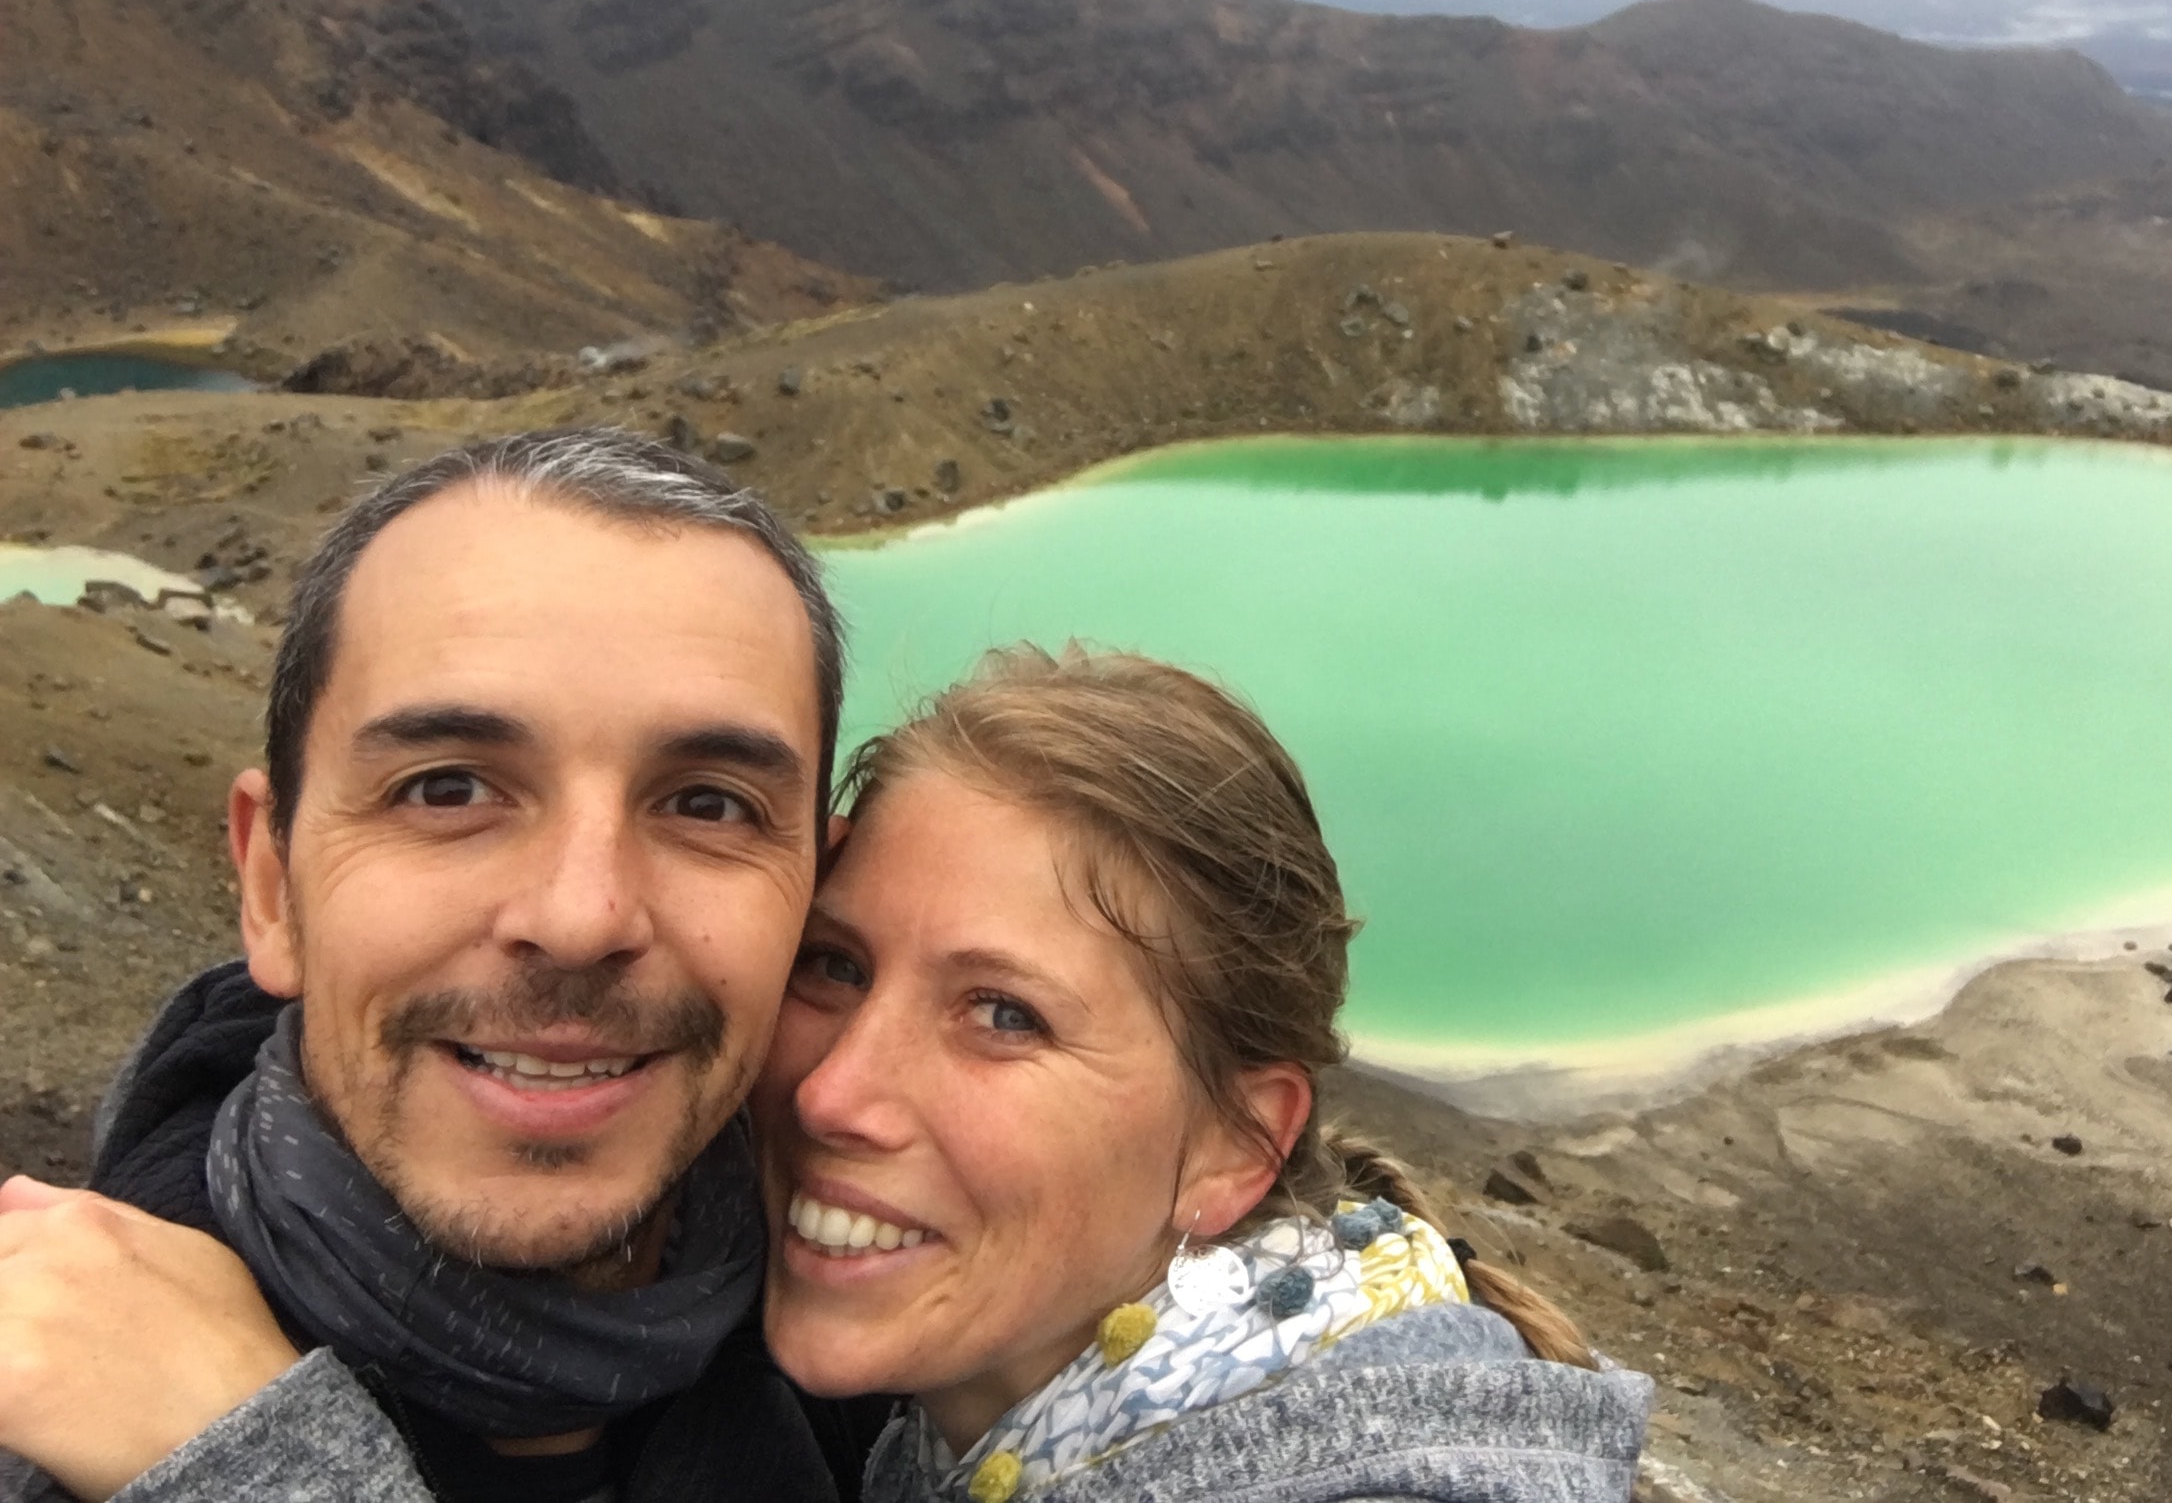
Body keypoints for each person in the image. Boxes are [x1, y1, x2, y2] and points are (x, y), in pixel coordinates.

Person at [0, 428, 888, 1502]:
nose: (579, 916)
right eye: (448, 789)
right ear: (273, 887)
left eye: (707, 804)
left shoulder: (917, 1380)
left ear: (813, 908)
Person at [759, 644, 1650, 1503]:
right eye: (834, 964)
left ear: (1236, 1144)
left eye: (1004, 1015)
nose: (829, 1093)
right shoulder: (995, 1402)